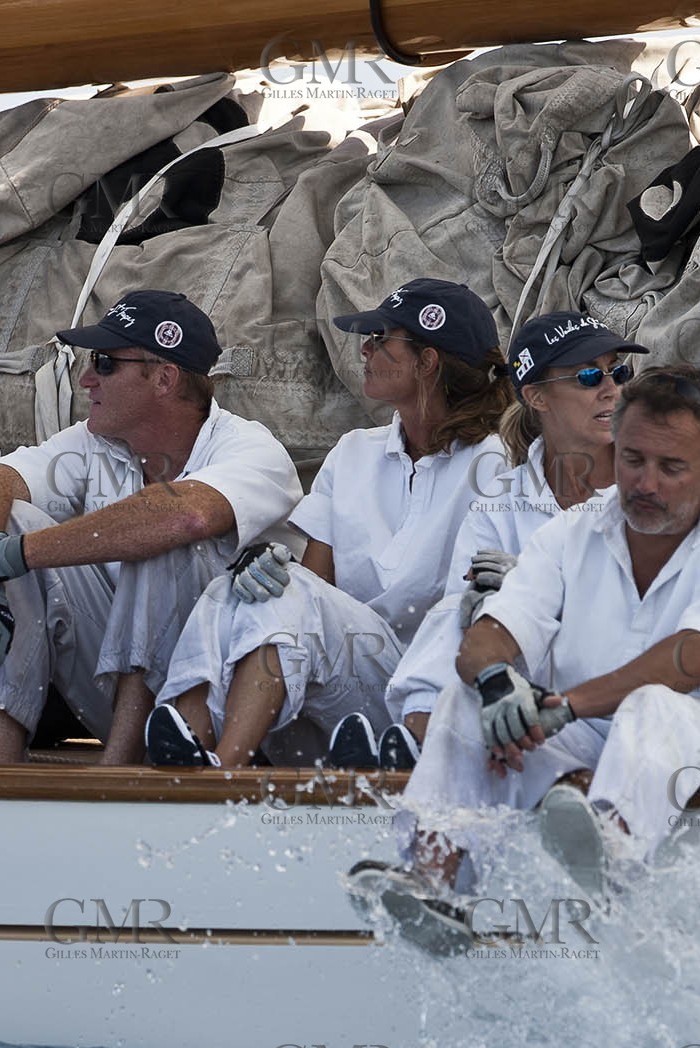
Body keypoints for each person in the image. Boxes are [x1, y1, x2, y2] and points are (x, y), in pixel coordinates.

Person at [350, 365, 700, 943]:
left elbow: (697, 659)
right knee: (464, 703)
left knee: (653, 706)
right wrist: (499, 684)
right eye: (633, 459)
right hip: (603, 731)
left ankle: (610, 847)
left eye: (671, 468)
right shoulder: (573, 532)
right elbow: (491, 632)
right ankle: (430, 884)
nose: (646, 483)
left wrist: (563, 706)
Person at [144, 278, 514, 770]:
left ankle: (220, 773)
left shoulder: (494, 465)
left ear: (427, 363)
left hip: (430, 697)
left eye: (381, 338)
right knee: (247, 583)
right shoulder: (354, 451)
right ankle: (191, 748)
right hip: (349, 687)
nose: (365, 348)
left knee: (284, 588)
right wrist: (265, 577)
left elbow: (469, 614)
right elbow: (313, 586)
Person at [0, 290, 301, 763]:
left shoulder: (251, 448)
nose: (86, 379)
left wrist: (17, 555)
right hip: (119, 686)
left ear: (165, 378)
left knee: (162, 535)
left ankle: (117, 770)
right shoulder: (97, 440)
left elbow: (187, 514)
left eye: (105, 363)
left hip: (241, 705)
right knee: (5, 521)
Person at [382, 311, 647, 759]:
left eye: (618, 372)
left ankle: (426, 761)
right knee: (455, 614)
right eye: (587, 376)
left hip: (630, 699)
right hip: (527, 697)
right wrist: (493, 600)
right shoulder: (500, 502)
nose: (610, 389)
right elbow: (464, 612)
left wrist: (533, 587)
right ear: (536, 397)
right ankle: (420, 747)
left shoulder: (656, 485)